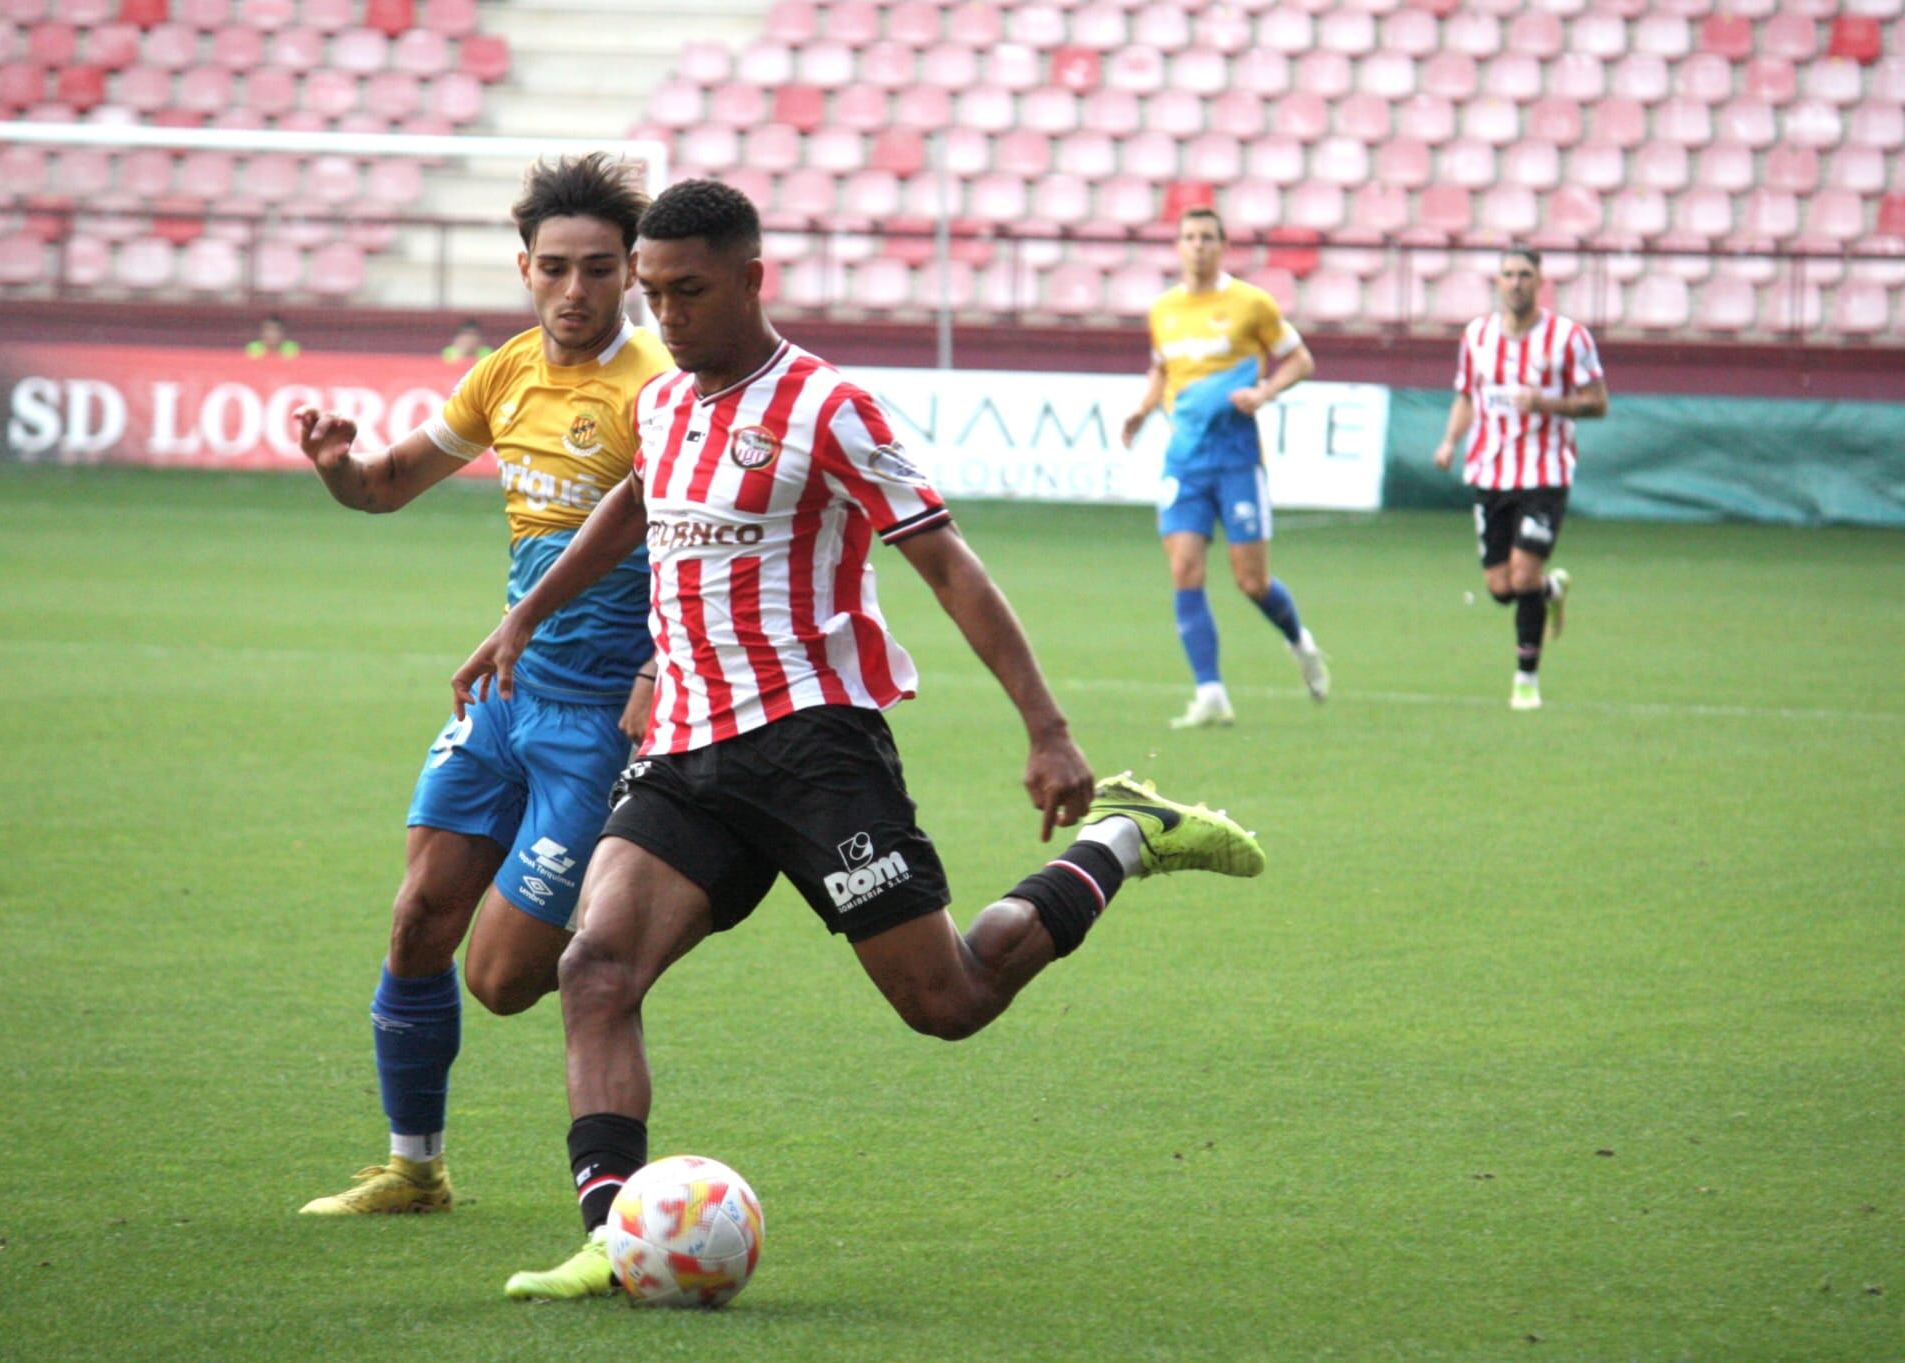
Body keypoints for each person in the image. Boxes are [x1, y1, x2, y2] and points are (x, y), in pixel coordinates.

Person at [446, 180, 1270, 1301]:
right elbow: (638, 502)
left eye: (687, 291)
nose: (666, 316)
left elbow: (945, 563)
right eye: (653, 294)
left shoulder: (828, 406)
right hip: (687, 750)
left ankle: (1126, 836)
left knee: (950, 1001)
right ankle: (617, 1232)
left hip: (813, 749)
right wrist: (523, 615)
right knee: (594, 967)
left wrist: (1047, 726)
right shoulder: (667, 404)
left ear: (752, 278)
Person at [291, 153, 670, 1215]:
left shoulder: (658, 392)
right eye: (554, 267)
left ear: (630, 274)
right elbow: (386, 485)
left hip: (598, 723)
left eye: (598, 269)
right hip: (502, 696)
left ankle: (642, 924)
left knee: (501, 979)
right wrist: (335, 464)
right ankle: (416, 1167)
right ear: (523, 268)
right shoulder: (505, 372)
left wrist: (653, 666)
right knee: (418, 918)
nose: (575, 290)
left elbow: (699, 549)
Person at [1120, 204, 1330, 729]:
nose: (1197, 245)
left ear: (1223, 245)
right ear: (1178, 246)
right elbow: (1162, 369)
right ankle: (1210, 693)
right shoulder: (1163, 310)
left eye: (1207, 237)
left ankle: (1299, 641)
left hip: (1236, 459)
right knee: (1184, 568)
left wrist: (1265, 391)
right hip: (1185, 459)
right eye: (1189, 236)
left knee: (1251, 581)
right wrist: (1143, 411)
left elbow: (1300, 360)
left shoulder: (1250, 304)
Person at [1432, 245, 1608, 711]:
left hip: (1544, 472)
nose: (1516, 282)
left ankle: (1525, 680)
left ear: (1540, 280)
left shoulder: (1568, 338)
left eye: (1525, 274)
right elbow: (1467, 395)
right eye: (1508, 274)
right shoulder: (1477, 336)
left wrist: (1547, 403)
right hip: (1490, 472)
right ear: (1497, 281)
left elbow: (1598, 402)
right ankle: (1552, 591)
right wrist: (1450, 440)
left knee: (1524, 570)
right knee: (1502, 588)